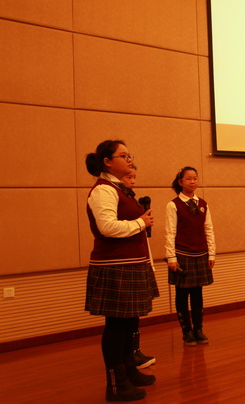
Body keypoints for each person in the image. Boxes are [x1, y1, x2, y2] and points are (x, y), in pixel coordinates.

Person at [84, 140, 158, 402]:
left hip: (131, 264)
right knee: (116, 326)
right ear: (107, 161)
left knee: (129, 323)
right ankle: (116, 385)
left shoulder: (120, 189)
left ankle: (128, 372)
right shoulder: (103, 190)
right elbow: (108, 227)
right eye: (123, 156)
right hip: (115, 266)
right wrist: (141, 222)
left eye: (130, 155)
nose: (129, 160)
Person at [165, 166, 216, 346]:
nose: (192, 181)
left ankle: (198, 329)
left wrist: (211, 253)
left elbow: (208, 229)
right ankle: (186, 331)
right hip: (182, 255)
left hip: (201, 253)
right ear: (180, 182)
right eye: (188, 178)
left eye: (195, 178)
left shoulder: (203, 203)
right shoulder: (173, 205)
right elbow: (170, 232)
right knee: (181, 294)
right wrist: (171, 258)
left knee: (197, 294)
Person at [121, 167, 156, 369]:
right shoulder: (113, 196)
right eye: (129, 177)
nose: (133, 181)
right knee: (125, 315)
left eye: (134, 177)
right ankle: (127, 355)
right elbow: (108, 227)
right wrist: (141, 221)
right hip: (125, 263)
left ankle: (135, 350)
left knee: (135, 313)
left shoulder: (131, 198)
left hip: (140, 257)